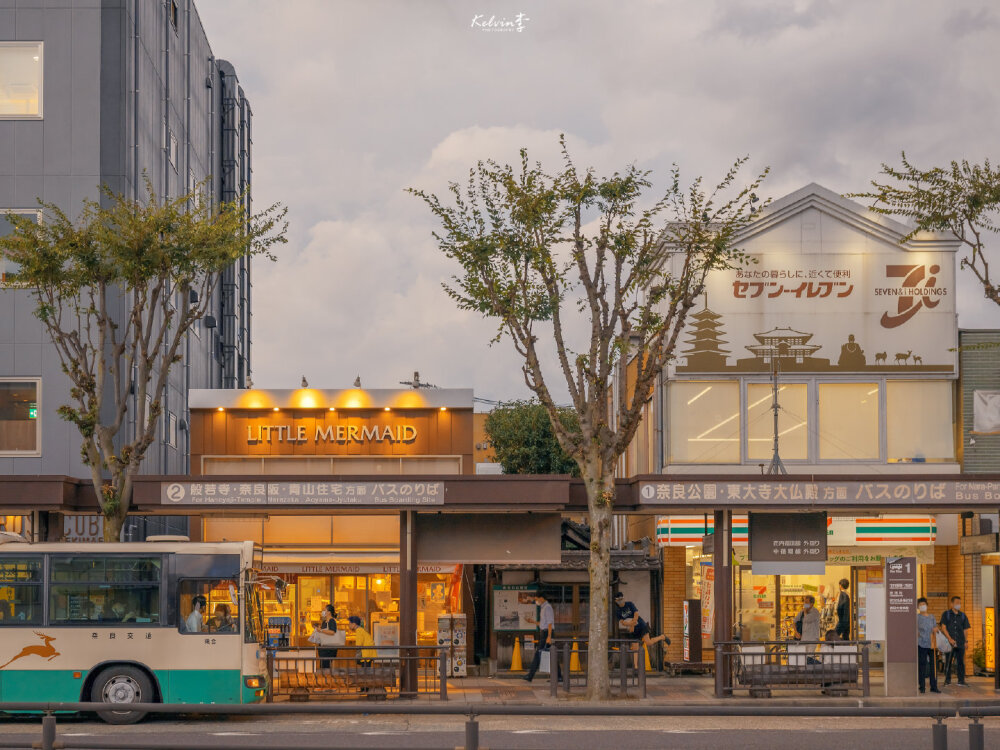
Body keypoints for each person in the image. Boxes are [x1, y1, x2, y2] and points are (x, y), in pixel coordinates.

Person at [523, 592, 562, 682]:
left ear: (541, 598)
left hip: (547, 634)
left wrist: (549, 636)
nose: (536, 601)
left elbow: (549, 623)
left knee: (538, 654)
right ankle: (558, 676)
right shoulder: (543, 607)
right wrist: (532, 622)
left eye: (536, 599)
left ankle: (530, 676)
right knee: (551, 654)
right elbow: (543, 624)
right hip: (545, 633)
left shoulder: (547, 607)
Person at [940, 595, 971, 686]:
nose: (959, 605)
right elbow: (943, 627)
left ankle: (961, 680)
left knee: (961, 662)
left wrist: (966, 641)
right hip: (950, 643)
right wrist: (949, 639)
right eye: (957, 603)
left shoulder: (963, 615)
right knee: (948, 661)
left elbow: (965, 629)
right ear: (952, 604)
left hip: (961, 642)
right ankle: (947, 680)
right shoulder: (946, 614)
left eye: (960, 603)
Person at [917, 597, 941, 694]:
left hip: (932, 644)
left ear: (927, 605)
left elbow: (936, 627)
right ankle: (922, 686)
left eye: (924, 604)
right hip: (921, 644)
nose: (923, 606)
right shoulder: (917, 617)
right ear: (918, 607)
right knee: (922, 665)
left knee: (933, 666)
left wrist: (936, 629)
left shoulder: (932, 617)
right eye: (920, 605)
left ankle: (934, 686)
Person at [317, 604, 339, 670]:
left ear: (329, 612)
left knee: (325, 667)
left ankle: (326, 679)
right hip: (323, 648)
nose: (323, 611)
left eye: (324, 610)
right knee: (323, 665)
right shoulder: (324, 622)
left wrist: (321, 630)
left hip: (328, 649)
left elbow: (332, 632)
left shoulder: (332, 621)